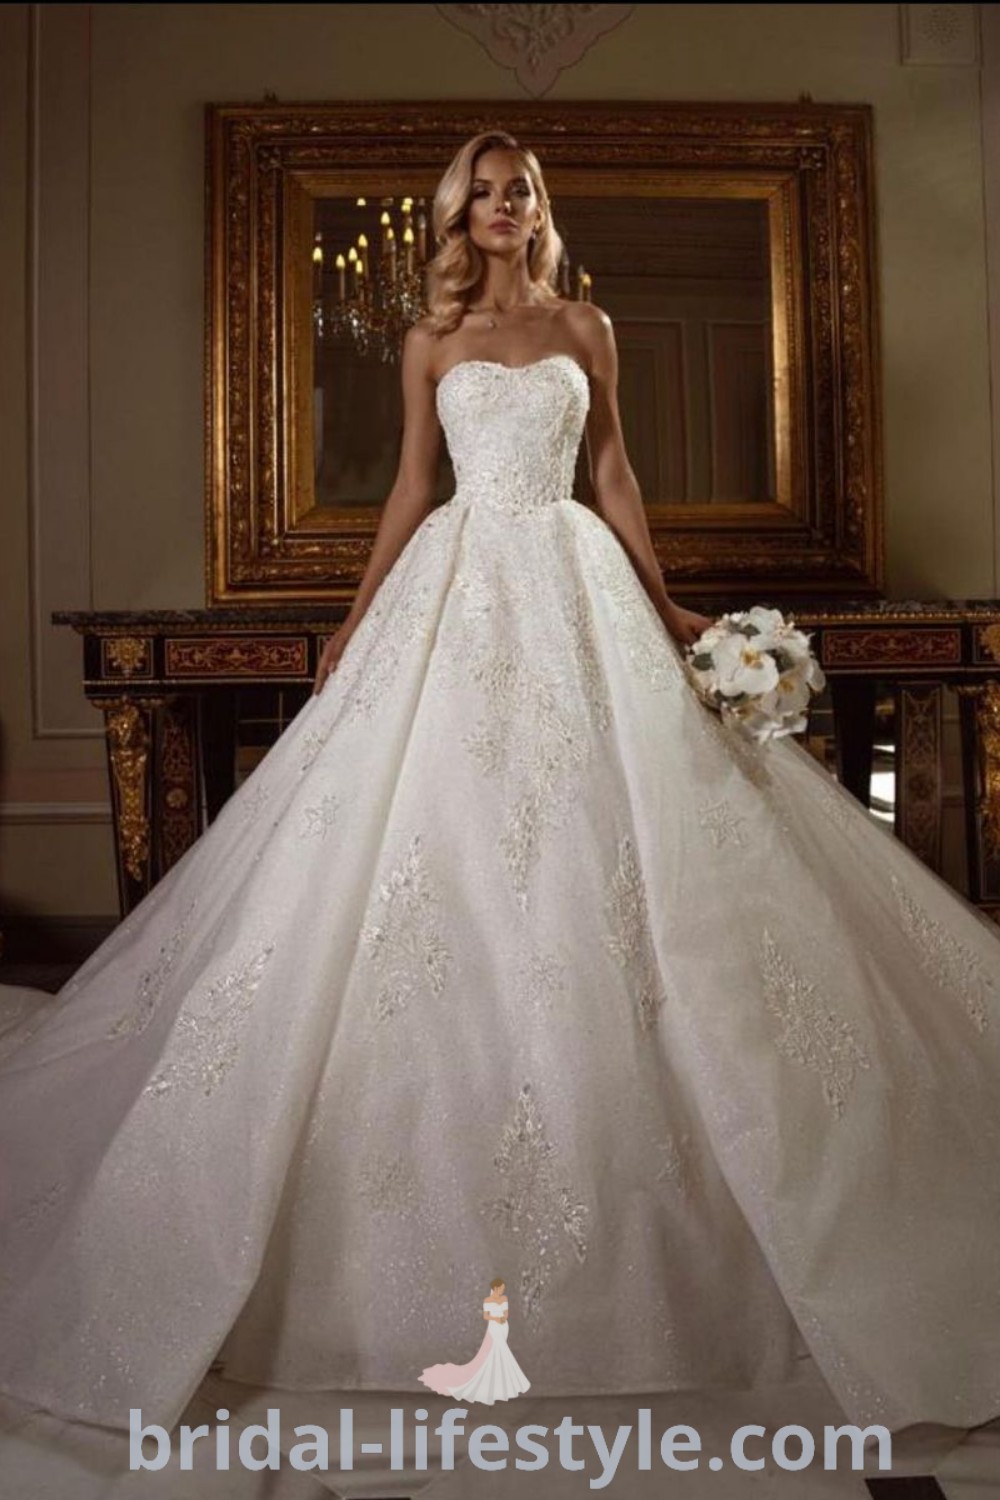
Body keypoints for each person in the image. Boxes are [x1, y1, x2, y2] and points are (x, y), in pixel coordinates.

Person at [2, 129, 1000, 1446]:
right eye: (479, 193)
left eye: (517, 190)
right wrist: (358, 627)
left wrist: (662, 603)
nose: (500, 208)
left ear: (541, 208)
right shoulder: (429, 343)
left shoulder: (590, 324)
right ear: (454, 216)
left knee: (628, 844)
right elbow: (416, 485)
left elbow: (612, 475)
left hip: (579, 583)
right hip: (460, 589)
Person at [419, 1277, 530, 1404]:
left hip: (502, 1326)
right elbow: (486, 1315)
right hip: (494, 1326)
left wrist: (502, 1318)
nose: (502, 1291)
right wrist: (496, 1318)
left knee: (501, 1351)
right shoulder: (488, 1300)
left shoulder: (503, 1299)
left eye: (503, 1289)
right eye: (500, 1289)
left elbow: (505, 1313)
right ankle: (493, 1382)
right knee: (494, 1351)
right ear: (495, 1288)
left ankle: (502, 1382)